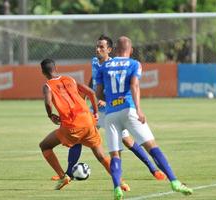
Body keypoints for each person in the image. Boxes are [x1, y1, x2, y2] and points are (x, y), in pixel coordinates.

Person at [51, 35, 165, 183]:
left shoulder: (114, 65)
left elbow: (121, 88)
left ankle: (153, 168)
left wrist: (106, 100)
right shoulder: (94, 62)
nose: (98, 49)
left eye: (101, 47)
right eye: (97, 46)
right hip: (94, 111)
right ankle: (68, 173)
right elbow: (94, 80)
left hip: (112, 111)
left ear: (109, 50)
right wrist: (84, 97)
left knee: (128, 141)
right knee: (78, 137)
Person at [96, 36, 193, 199]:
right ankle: (174, 181)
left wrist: (110, 101)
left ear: (116, 50)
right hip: (129, 110)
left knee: (115, 155)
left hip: (111, 114)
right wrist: (139, 109)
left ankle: (116, 188)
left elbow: (98, 93)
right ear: (131, 50)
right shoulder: (134, 64)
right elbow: (134, 85)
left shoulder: (104, 66)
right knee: (152, 147)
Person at [39, 58, 129, 191]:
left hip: (71, 126)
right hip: (88, 120)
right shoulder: (70, 79)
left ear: (43, 72)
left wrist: (50, 115)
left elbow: (48, 103)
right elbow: (91, 93)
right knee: (101, 156)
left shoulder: (48, 86)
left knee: (45, 145)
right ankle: (121, 182)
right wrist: (96, 112)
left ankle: (63, 176)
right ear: (55, 68)